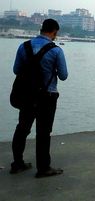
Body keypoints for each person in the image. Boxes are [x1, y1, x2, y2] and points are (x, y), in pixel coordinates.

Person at [10, 19, 68, 178]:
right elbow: (63, 76)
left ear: (41, 29)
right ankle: (43, 168)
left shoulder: (24, 46)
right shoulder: (56, 51)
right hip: (47, 97)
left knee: (22, 128)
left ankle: (17, 164)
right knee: (43, 132)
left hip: (27, 95)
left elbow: (16, 70)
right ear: (55, 31)